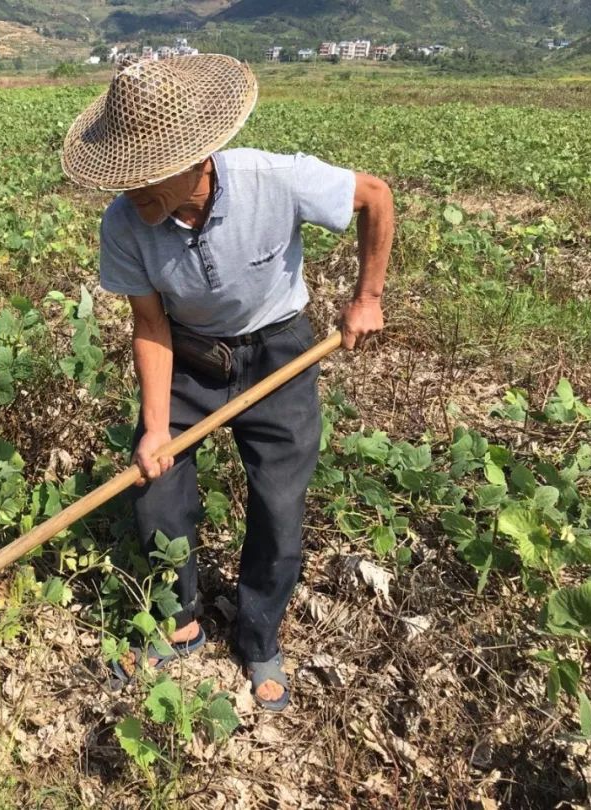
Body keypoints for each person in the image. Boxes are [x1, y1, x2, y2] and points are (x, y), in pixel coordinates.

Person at [60, 54, 394, 710]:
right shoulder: (125, 224)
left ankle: (259, 632)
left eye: (149, 177)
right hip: (188, 357)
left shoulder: (275, 179)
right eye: (124, 179)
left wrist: (367, 297)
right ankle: (178, 621)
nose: (134, 194)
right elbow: (150, 324)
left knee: (278, 505)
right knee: (155, 489)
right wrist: (158, 428)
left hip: (280, 355)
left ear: (199, 158)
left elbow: (374, 196)